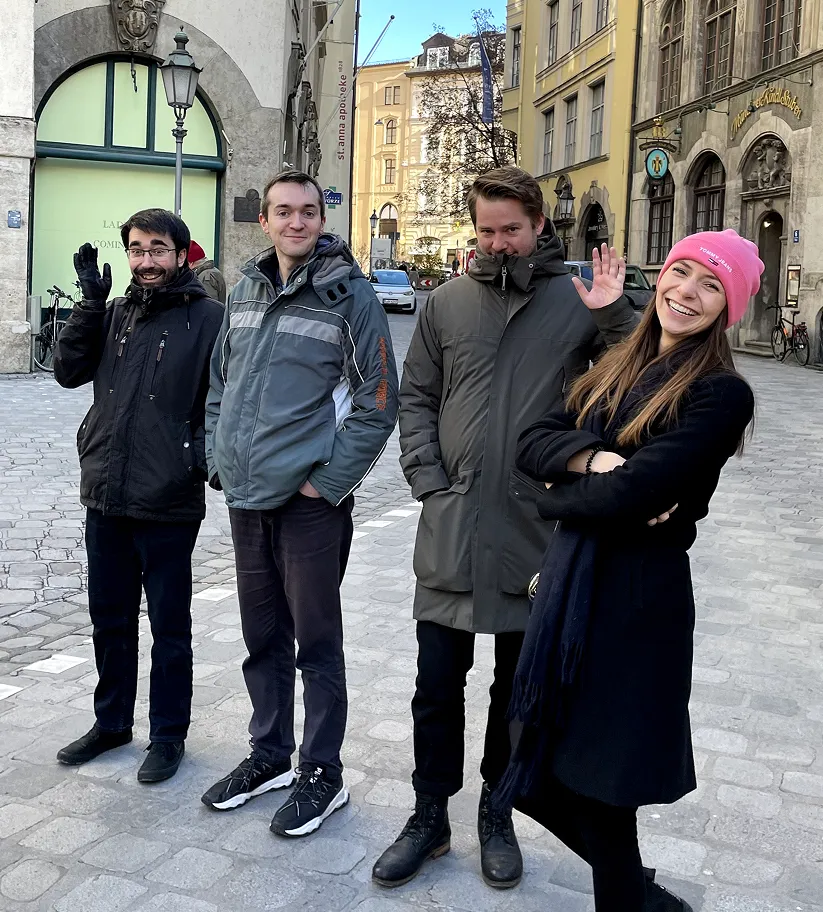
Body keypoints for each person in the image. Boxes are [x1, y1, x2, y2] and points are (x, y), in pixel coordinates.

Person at [372, 166, 638, 890]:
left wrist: (612, 314)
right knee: (435, 683)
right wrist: (430, 481)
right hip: (453, 523)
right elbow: (417, 395)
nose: (498, 243)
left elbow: (635, 384)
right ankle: (429, 815)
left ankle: (497, 810)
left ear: (538, 226)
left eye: (511, 230)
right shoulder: (447, 301)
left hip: (537, 527)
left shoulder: (576, 299)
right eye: (486, 230)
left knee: (514, 689)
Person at [501, 229, 762, 911]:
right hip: (570, 589)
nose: (687, 292)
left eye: (711, 285)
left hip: (633, 607)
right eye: (681, 272)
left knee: (600, 788)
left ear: (726, 306)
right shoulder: (616, 362)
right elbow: (530, 448)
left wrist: (565, 489)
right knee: (524, 773)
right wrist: (589, 464)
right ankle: (639, 897)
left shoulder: (720, 394)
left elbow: (633, 496)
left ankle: (629, 900)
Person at [201, 170, 399, 837]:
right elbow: (219, 384)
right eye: (283, 211)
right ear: (264, 219)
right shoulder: (247, 289)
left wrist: (326, 483)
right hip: (246, 497)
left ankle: (322, 770)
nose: (295, 222)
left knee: (315, 641)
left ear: (321, 217)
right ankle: (269, 755)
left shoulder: (351, 297)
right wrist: (218, 454)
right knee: (262, 637)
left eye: (307, 212)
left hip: (309, 503)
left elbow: (377, 403)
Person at [53, 210, 224, 783]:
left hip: (169, 498)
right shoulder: (116, 312)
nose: (145, 260)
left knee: (170, 628)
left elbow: (221, 401)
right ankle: (112, 724)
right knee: (110, 618)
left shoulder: (209, 320)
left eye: (157, 249)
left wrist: (194, 459)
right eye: (136, 249)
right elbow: (67, 371)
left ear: (181, 254)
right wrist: (89, 305)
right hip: (106, 490)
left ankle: (169, 735)